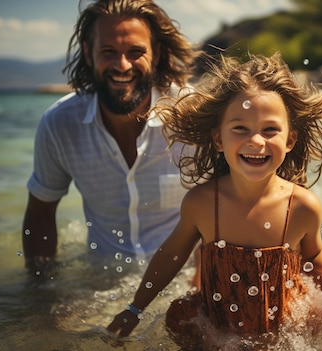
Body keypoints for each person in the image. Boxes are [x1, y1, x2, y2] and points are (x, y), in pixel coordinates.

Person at [106, 53, 322, 348]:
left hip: (286, 330)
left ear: (290, 140)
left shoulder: (301, 206)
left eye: (270, 130)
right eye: (240, 128)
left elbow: (315, 256)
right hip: (218, 327)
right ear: (218, 139)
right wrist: (136, 307)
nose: (255, 141)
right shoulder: (203, 202)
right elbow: (172, 254)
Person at [21, 0, 199, 273]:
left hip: (183, 281)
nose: (122, 65)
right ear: (89, 54)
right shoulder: (59, 124)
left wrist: (201, 292)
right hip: (102, 283)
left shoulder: (194, 117)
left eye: (136, 52)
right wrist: (41, 293)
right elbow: (41, 213)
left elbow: (229, 205)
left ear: (157, 53)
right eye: (109, 51)